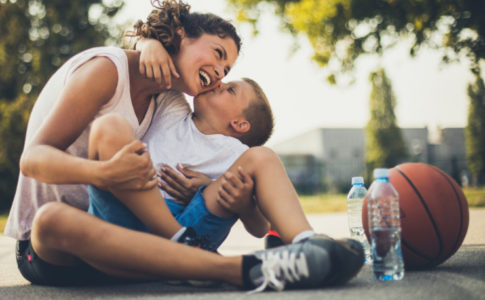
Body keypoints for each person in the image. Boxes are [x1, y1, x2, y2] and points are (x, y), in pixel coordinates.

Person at [5, 0, 364, 291]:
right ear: (181, 34)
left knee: (259, 159)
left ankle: (306, 245)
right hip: (68, 247)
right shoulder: (107, 71)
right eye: (219, 54)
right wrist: (104, 171)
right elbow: (33, 158)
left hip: (135, 237)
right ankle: (233, 268)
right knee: (52, 218)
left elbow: (160, 58)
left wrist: (149, 43)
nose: (221, 75)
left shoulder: (172, 98)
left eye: (227, 71)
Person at [88, 77, 273, 252]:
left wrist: (216, 192)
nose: (218, 82)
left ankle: (185, 248)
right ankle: (178, 247)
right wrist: (146, 46)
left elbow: (260, 227)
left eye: (230, 90)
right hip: (130, 212)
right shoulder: (174, 108)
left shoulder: (238, 154)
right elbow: (167, 67)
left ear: (239, 124)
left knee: (235, 181)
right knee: (108, 125)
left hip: (190, 225)